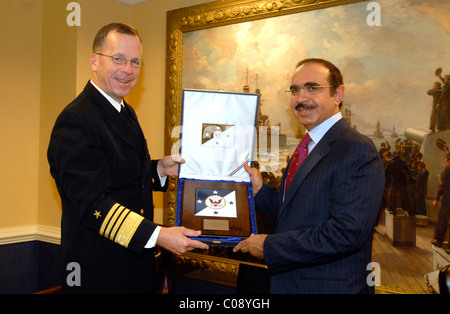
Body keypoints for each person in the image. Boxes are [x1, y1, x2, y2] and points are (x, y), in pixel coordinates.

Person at [47, 23, 208, 294]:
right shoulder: (77, 119)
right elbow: (93, 205)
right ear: (94, 61)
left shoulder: (124, 111)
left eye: (135, 61)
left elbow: (121, 177)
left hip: (134, 266)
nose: (128, 70)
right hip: (99, 273)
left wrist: (159, 169)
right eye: (118, 59)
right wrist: (159, 236)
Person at [233, 58, 385, 294]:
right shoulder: (307, 146)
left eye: (313, 88)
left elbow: (347, 232)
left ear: (338, 94)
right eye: (295, 90)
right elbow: (295, 213)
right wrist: (260, 191)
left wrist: (270, 247)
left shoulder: (357, 149)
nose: (301, 98)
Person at [432, 154, 450, 254]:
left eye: (446, 160)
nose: (444, 161)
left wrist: (436, 199)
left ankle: (439, 241)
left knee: (443, 219)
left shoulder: (446, 173)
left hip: (447, 200)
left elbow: (441, 188)